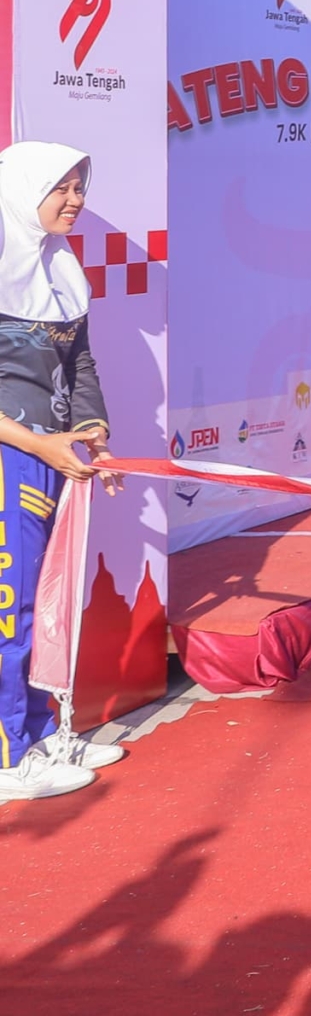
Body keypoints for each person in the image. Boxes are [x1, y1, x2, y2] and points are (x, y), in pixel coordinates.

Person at [0, 145, 125, 802]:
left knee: (43, 602)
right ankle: (6, 754)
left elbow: (81, 368)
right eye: (61, 187)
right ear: (24, 190)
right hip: (11, 456)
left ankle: (42, 734)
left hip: (54, 458)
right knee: (8, 608)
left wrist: (93, 437)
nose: (75, 198)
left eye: (80, 185)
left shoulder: (61, 266)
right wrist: (41, 445)